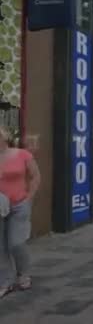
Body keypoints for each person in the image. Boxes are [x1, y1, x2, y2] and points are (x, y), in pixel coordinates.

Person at [0, 126, 41, 298]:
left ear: (3, 137)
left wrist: (29, 197)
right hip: (0, 206)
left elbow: (35, 176)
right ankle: (6, 281)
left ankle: (23, 273)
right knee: (1, 247)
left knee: (16, 243)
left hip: (19, 204)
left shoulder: (22, 154)